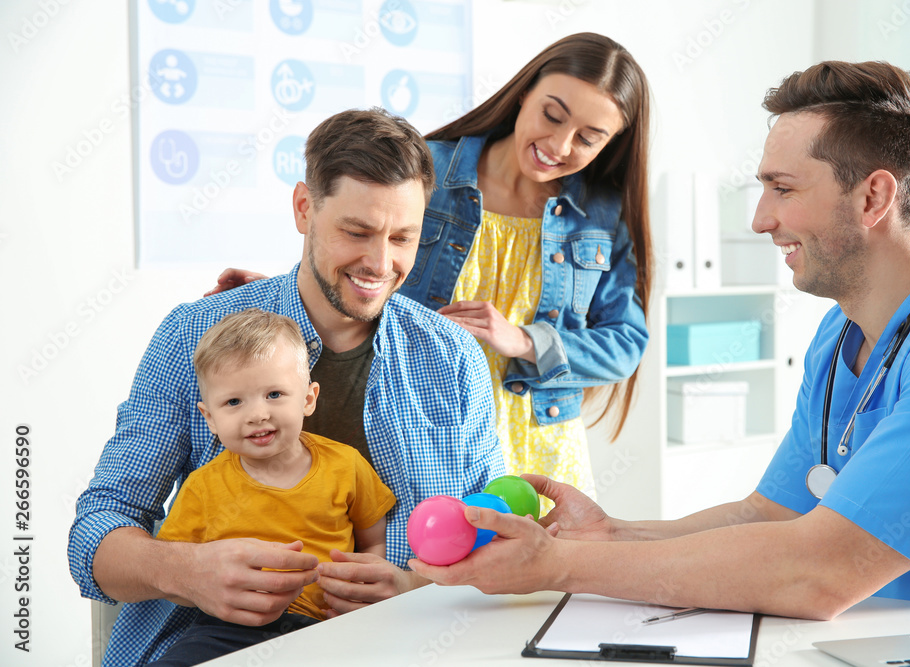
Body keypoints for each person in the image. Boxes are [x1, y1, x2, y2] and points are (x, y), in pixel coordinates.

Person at [409, 60, 910, 619]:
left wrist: (558, 564)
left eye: (783, 189)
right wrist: (611, 533)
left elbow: (822, 570)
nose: (760, 219)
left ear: (873, 197)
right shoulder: (840, 332)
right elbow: (769, 513)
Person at [69, 108, 506, 667]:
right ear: (304, 208)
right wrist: (187, 572)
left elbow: (491, 535)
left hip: (403, 646)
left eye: (403, 238)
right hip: (213, 641)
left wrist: (414, 587)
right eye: (357, 231)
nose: (380, 262)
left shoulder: (454, 360)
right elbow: (97, 530)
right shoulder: (194, 334)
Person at [208, 33, 653, 504]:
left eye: (588, 138)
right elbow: (354, 259)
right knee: (413, 559)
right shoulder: (431, 169)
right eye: (552, 115)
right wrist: (274, 299)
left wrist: (523, 340)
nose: (559, 145)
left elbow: (625, 344)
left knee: (540, 570)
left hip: (540, 440)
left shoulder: (602, 214)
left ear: (612, 142)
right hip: (426, 420)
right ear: (525, 92)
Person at [150, 308, 397, 666]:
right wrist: (205, 589)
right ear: (210, 419)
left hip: (326, 626)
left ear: (308, 398)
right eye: (234, 402)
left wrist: (361, 588)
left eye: (275, 394)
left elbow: (372, 536)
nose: (257, 414)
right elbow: (180, 577)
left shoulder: (345, 465)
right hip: (227, 629)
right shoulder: (203, 487)